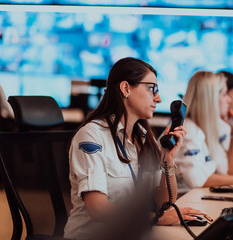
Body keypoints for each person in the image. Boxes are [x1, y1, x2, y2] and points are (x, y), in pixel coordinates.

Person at [64, 57, 202, 240]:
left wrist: (167, 160)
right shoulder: (92, 135)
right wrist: (157, 218)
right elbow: (98, 209)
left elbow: (164, 203)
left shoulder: (144, 137)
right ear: (126, 88)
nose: (158, 98)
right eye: (152, 89)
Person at [174, 71, 233, 191]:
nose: (229, 100)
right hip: (181, 201)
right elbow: (197, 180)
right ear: (210, 99)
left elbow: (227, 171)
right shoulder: (189, 131)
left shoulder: (208, 128)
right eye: (224, 94)